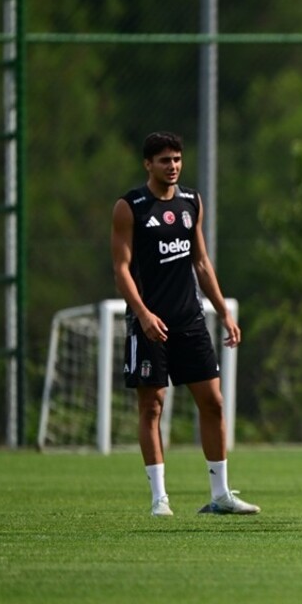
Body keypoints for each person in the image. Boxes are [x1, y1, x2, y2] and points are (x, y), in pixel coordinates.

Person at [111, 131, 259, 517]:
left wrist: (223, 311)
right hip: (149, 324)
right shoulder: (131, 207)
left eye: (177, 159)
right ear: (148, 164)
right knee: (152, 407)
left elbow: (201, 261)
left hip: (189, 320)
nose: (172, 166)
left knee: (213, 403)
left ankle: (221, 494)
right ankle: (160, 498)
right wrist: (143, 314)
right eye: (164, 160)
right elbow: (121, 269)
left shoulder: (192, 201)